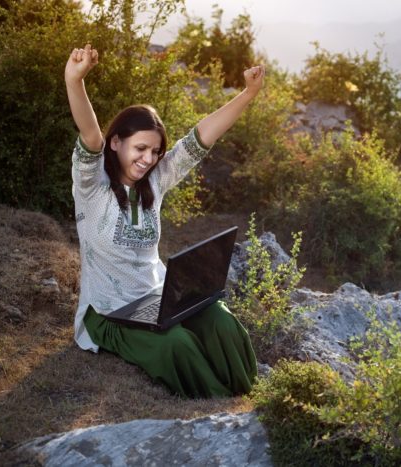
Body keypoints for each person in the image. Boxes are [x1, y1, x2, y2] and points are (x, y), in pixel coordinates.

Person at [65, 43, 265, 398]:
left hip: (159, 298)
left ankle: (248, 395)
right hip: (111, 312)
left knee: (221, 321)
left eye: (155, 151)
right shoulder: (91, 186)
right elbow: (90, 135)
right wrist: (74, 81)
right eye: (140, 148)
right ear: (116, 144)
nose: (148, 159)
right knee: (176, 345)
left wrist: (248, 94)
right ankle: (217, 407)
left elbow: (201, 137)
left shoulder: (155, 182)